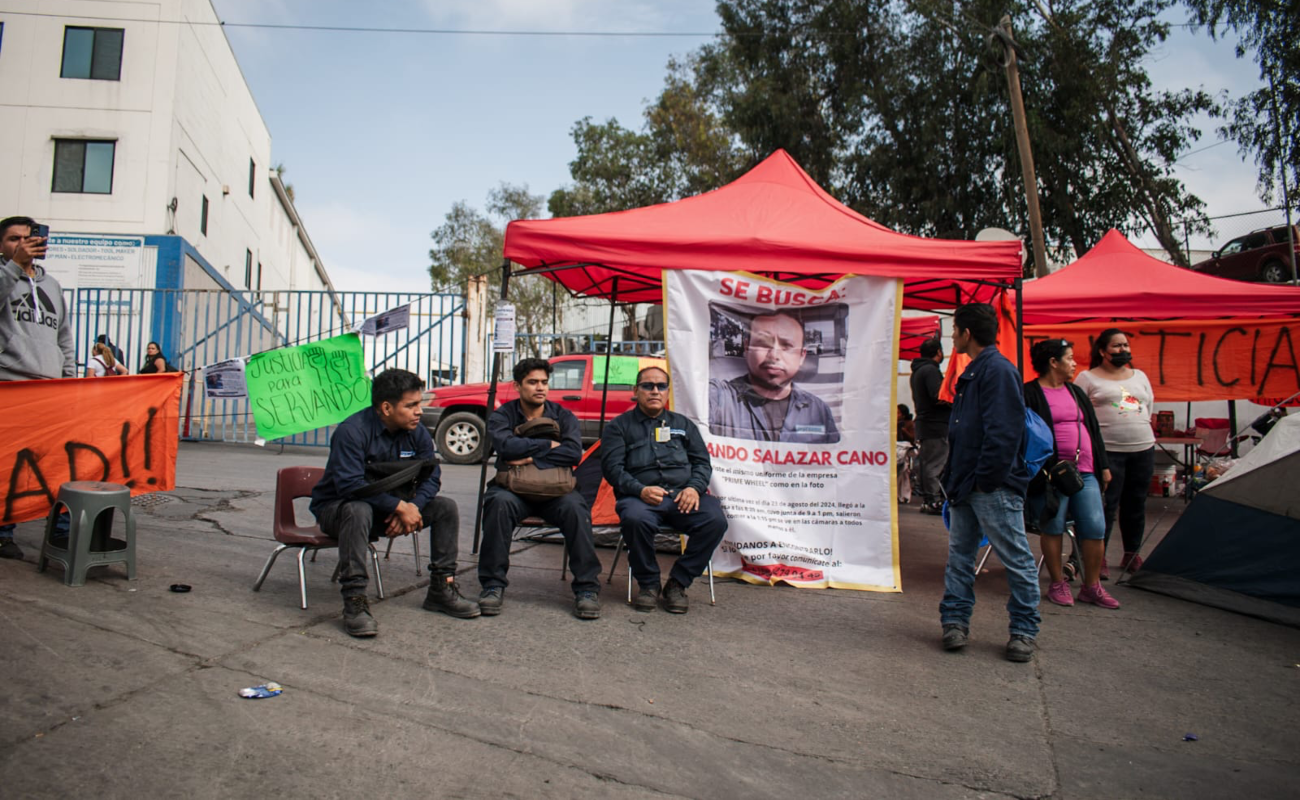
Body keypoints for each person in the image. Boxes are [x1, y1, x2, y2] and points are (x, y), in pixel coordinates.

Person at [309, 368, 478, 637]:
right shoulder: (352, 432)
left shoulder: (418, 432)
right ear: (386, 408)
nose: (419, 411)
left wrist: (412, 508)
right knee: (358, 509)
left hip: (392, 510)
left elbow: (431, 477)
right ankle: (354, 601)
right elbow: (350, 486)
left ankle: (441, 589)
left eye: (420, 404)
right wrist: (398, 508)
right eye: (411, 405)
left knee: (446, 507)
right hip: (338, 511)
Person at [938, 302, 1040, 663]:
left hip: (988, 485)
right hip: (967, 483)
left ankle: (1024, 631)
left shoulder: (996, 370)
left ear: (967, 333)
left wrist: (986, 479)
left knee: (1015, 558)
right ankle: (954, 622)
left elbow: (1004, 431)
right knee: (960, 557)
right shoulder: (979, 370)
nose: (952, 338)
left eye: (954, 331)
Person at [478, 357, 602, 620]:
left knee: (577, 509)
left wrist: (530, 456)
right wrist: (548, 446)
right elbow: (506, 448)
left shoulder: (563, 415)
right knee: (497, 504)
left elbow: (572, 454)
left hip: (556, 491)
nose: (540, 388)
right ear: (517, 385)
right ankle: (492, 585)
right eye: (532, 382)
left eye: (544, 382)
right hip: (513, 489)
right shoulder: (503, 415)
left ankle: (587, 589)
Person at [602, 366, 727, 614]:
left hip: (684, 496)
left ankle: (677, 584)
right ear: (635, 391)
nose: (655, 391)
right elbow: (612, 470)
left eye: (661, 386)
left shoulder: (683, 425)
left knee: (714, 521)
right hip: (641, 498)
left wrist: (694, 487)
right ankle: (648, 584)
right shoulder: (618, 427)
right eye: (648, 386)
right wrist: (640, 490)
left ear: (667, 391)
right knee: (635, 519)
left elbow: (702, 462)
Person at [1, 216, 76, 560]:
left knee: (56, 467)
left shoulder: (53, 286)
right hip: (10, 386)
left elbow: (64, 338)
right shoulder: (5, 276)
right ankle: (3, 532)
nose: (22, 244)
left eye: (28, 238)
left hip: (50, 392)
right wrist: (14, 268)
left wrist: (70, 381)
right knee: (7, 468)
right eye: (14, 239)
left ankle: (60, 532)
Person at [1023, 339, 1119, 609]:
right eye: (1070, 358)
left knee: (1094, 528)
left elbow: (1093, 431)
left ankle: (1091, 587)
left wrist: (1103, 465)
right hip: (1051, 475)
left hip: (1085, 471)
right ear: (1053, 362)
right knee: (1052, 526)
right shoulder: (1029, 393)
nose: (1075, 363)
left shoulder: (1076, 392)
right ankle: (1057, 582)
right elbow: (1026, 434)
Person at [1073, 329, 1156, 577]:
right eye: (1117, 346)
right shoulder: (1087, 378)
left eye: (1126, 345)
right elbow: (1079, 414)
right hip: (1107, 452)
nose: (1123, 350)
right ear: (1102, 351)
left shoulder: (1139, 376)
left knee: (1136, 503)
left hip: (1142, 448)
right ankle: (1099, 557)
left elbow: (1148, 405)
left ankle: (1132, 554)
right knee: (1105, 505)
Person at [709, 311, 839, 444]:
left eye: (786, 346)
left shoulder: (818, 410)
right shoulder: (719, 398)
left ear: (802, 356)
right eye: (763, 343)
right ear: (747, 348)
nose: (774, 355)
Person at [909, 337, 951, 515]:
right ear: (939, 353)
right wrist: (954, 400)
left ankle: (930, 499)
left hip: (926, 424)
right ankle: (933, 500)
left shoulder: (918, 371)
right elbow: (938, 396)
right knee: (935, 464)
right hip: (936, 424)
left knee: (928, 463)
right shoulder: (931, 371)